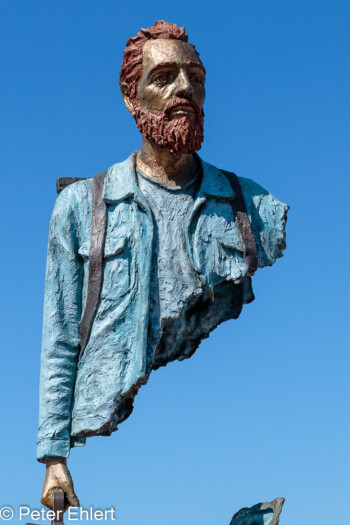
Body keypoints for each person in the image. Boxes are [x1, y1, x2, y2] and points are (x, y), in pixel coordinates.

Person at [38, 21, 288, 509]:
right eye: (165, 76)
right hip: (113, 446)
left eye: (195, 76)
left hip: (230, 438)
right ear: (131, 96)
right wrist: (53, 457)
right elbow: (60, 333)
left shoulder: (254, 207)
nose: (184, 89)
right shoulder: (81, 207)